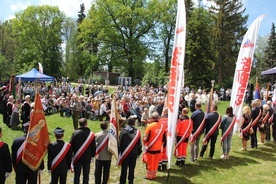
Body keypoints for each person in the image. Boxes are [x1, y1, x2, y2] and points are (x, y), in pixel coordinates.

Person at [70, 118, 96, 184]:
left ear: (79, 124)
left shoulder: (75, 133)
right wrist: (93, 155)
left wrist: (71, 156)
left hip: (77, 156)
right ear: (86, 124)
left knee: (77, 175)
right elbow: (93, 146)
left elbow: (71, 145)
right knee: (86, 174)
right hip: (87, 157)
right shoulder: (91, 134)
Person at [118, 117, 142, 184]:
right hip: (134, 153)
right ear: (134, 123)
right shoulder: (137, 132)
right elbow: (139, 144)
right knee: (132, 168)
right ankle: (131, 181)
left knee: (124, 169)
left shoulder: (123, 131)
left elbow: (120, 143)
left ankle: (122, 181)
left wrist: (120, 152)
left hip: (125, 153)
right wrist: (138, 153)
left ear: (127, 122)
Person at [143, 112, 166, 180]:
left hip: (150, 147)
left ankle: (149, 176)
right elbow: (164, 138)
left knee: (150, 162)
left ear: (152, 118)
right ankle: (154, 174)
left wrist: (144, 145)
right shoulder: (162, 126)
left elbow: (145, 138)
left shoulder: (149, 126)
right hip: (159, 147)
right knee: (156, 162)